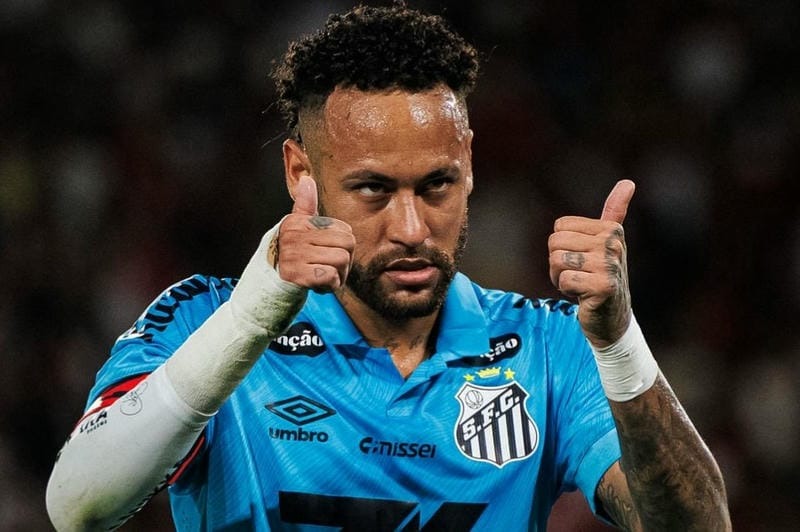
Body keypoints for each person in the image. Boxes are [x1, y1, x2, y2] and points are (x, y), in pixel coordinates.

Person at [46, 4, 731, 531]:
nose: (411, 229)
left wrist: (619, 343)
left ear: (470, 163)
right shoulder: (206, 322)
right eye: (373, 189)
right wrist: (250, 320)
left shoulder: (551, 348)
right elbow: (78, 505)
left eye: (437, 184)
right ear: (300, 172)